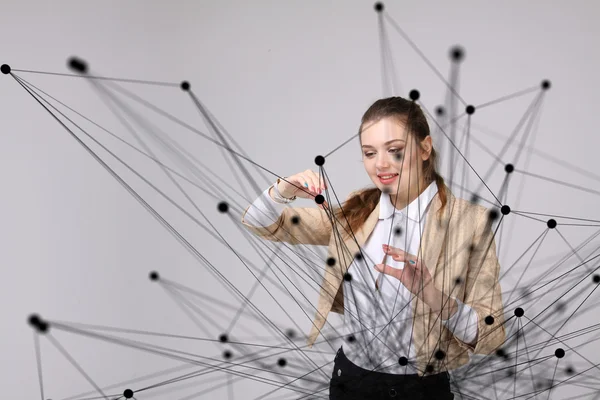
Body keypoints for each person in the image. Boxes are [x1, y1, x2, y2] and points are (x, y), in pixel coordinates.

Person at [240, 97, 506, 399]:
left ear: (424, 148)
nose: (380, 164)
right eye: (369, 153)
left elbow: (491, 335)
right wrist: (283, 190)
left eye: (395, 151)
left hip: (420, 390)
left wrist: (434, 296)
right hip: (351, 383)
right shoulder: (357, 211)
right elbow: (260, 222)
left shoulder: (469, 222)